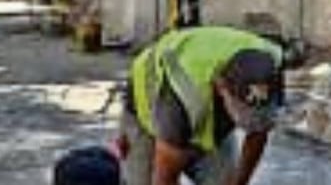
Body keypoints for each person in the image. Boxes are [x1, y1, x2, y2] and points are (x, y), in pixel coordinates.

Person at [121, 25, 285, 185]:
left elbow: (258, 132)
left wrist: (240, 181)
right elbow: (165, 178)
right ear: (222, 87)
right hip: (148, 106)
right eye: (244, 113)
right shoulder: (182, 97)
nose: (251, 122)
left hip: (203, 107)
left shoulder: (269, 69)